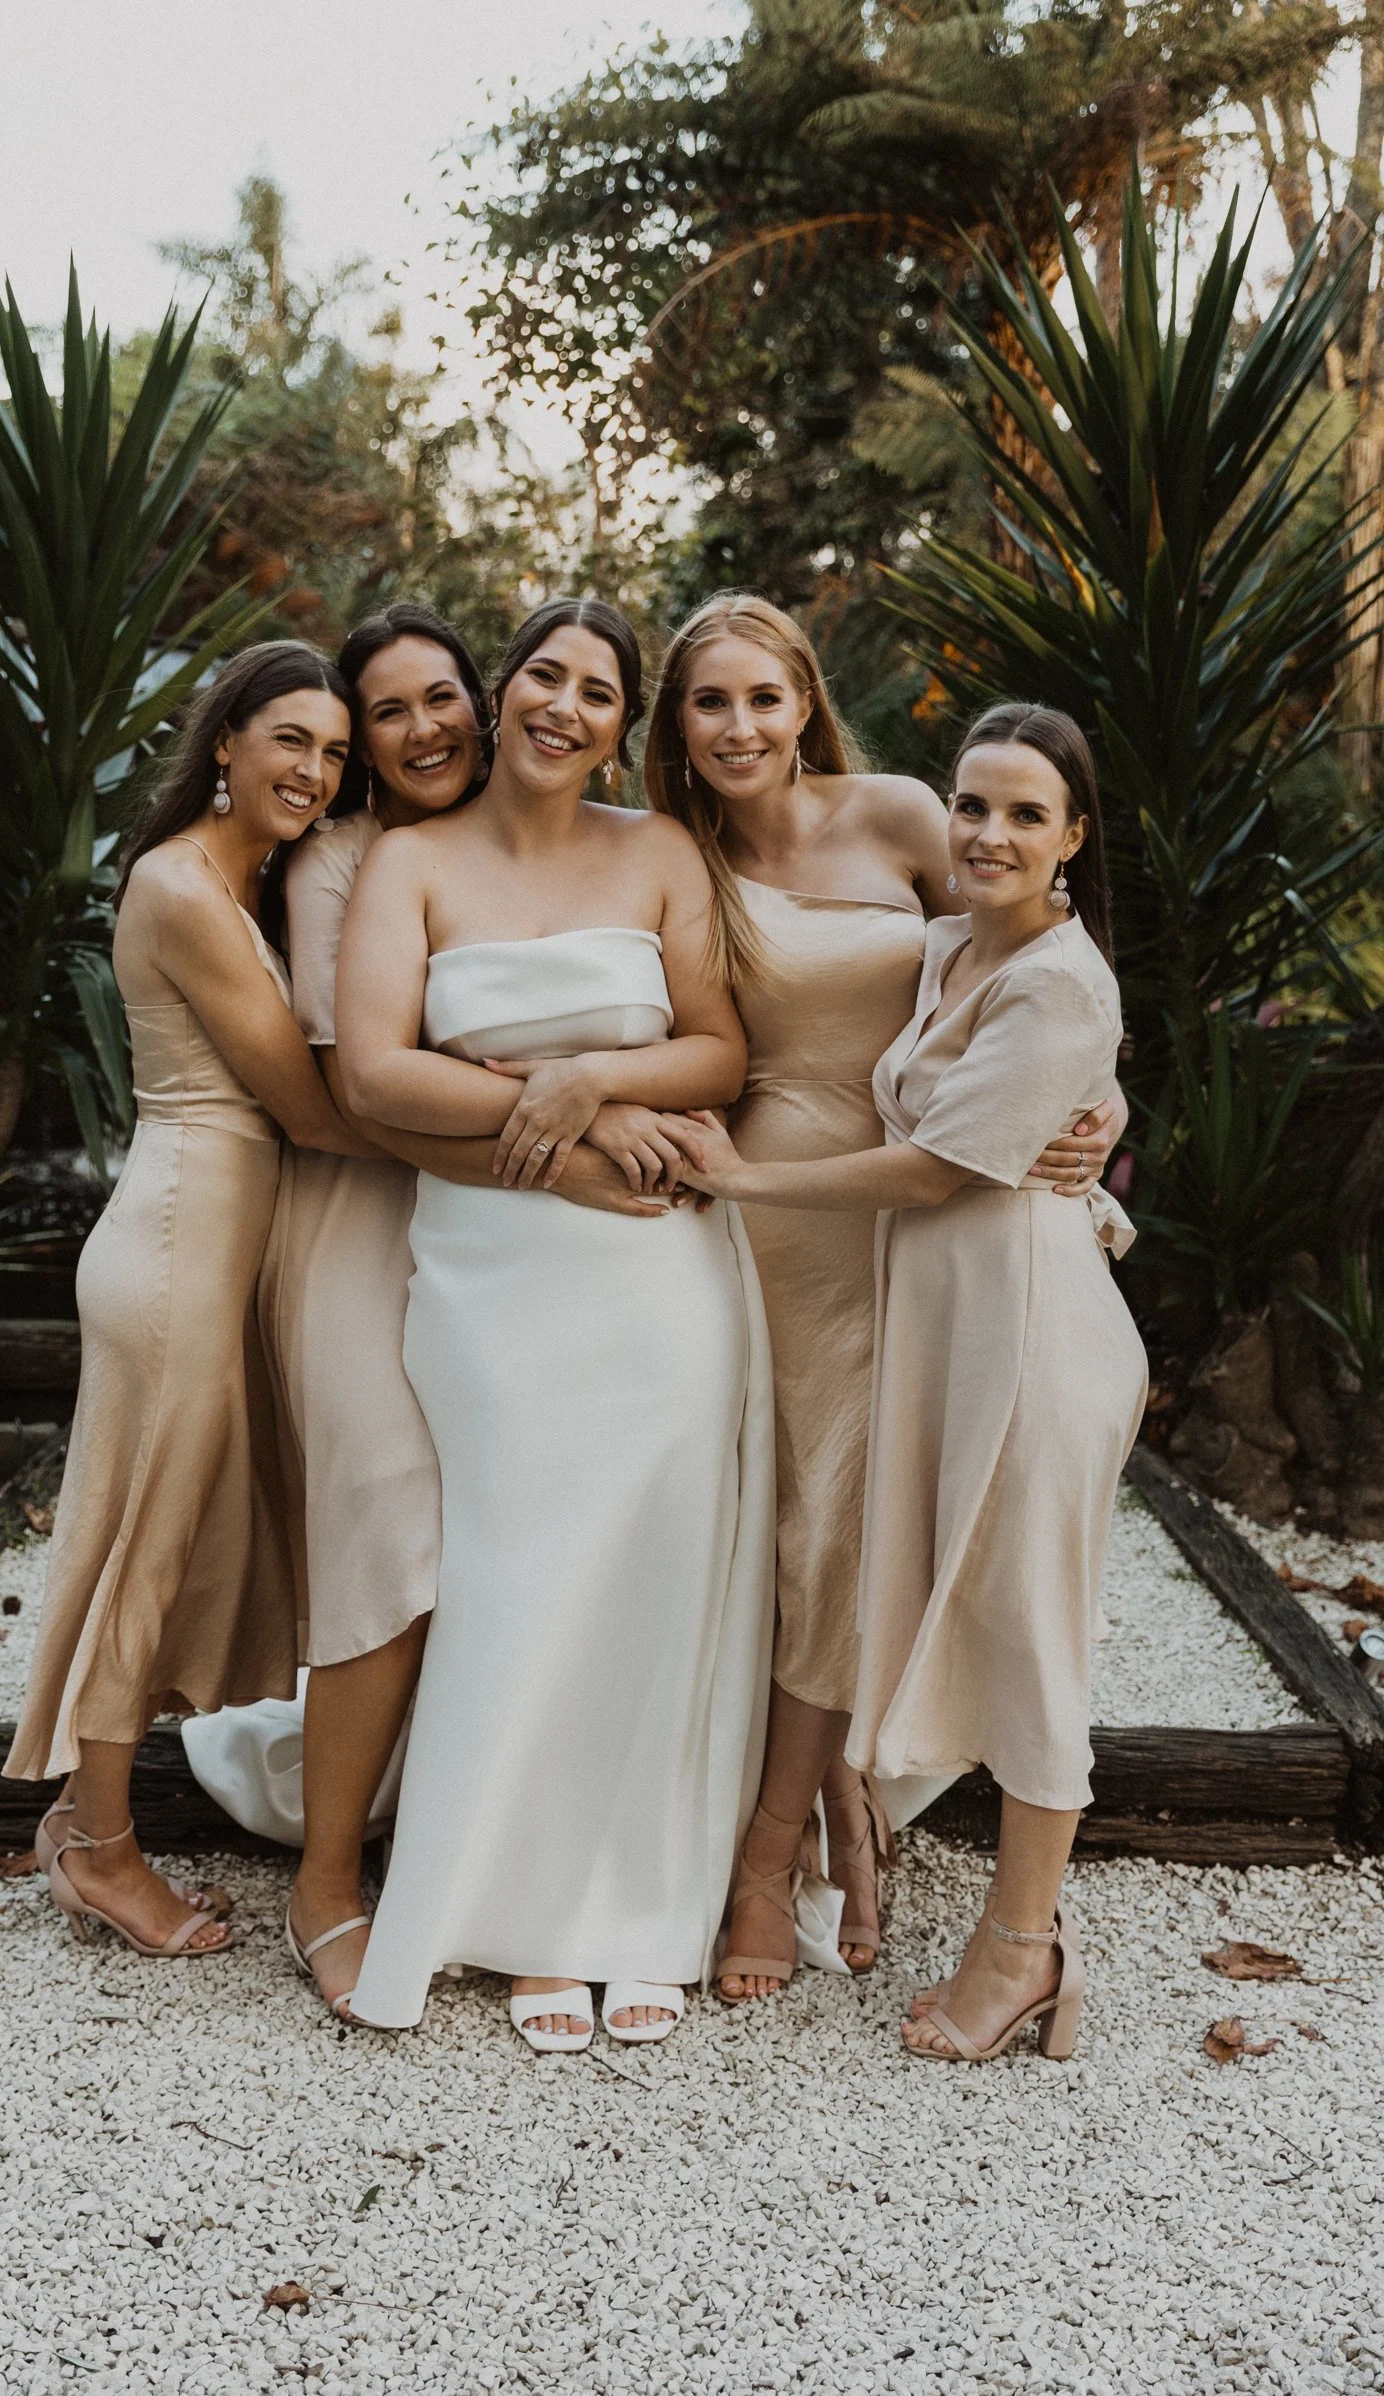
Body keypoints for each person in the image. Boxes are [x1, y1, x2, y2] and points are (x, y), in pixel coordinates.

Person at [184, 604, 671, 2016]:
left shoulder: (560, 844)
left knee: (514, 1528)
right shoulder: (346, 862)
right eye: (387, 711)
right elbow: (354, 1098)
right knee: (391, 1519)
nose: (425, 728)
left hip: (500, 1231)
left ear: (484, 697)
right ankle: (328, 1878)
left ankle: (486, 1839)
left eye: (441, 695)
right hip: (363, 1214)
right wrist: (578, 1136)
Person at [643, 596, 1125, 2000]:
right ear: (677, 725)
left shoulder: (914, 811)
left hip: (914, 1220)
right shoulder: (668, 853)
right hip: (762, 1223)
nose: (741, 727)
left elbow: (1040, 985)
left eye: (765, 697)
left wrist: (1101, 1114)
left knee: (854, 1527)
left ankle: (788, 1844)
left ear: (808, 702)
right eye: (710, 702)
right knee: (780, 1525)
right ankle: (809, 1806)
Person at [334, 598, 774, 2052]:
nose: (562, 706)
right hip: (489, 1265)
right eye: (543, 675)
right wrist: (567, 1126)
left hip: (659, 1268)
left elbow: (720, 1049)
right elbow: (375, 1077)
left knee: (652, 1572)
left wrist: (596, 1076)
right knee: (518, 1569)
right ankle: (521, 1917)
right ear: (499, 689)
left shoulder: (661, 853)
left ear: (619, 725)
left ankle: (640, 1906)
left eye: (596, 690)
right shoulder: (410, 863)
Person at [4, 642, 366, 1958]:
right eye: (291, 741)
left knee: (168, 1537)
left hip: (214, 1248)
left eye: (334, 753)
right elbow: (309, 1110)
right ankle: (102, 1851)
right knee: (146, 1547)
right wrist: (512, 1132)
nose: (313, 772)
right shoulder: (183, 887)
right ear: (225, 741)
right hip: (175, 1247)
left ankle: (75, 1814)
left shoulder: (250, 879)